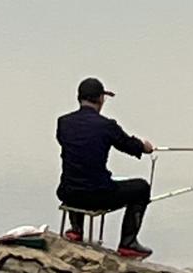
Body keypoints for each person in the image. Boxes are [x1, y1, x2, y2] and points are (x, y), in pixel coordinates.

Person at [56, 76, 155, 258]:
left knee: (78, 172)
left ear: (80, 98)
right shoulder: (106, 126)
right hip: (96, 196)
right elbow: (128, 144)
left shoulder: (63, 123)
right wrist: (144, 147)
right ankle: (128, 244)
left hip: (68, 193)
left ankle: (76, 230)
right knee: (141, 188)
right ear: (100, 99)